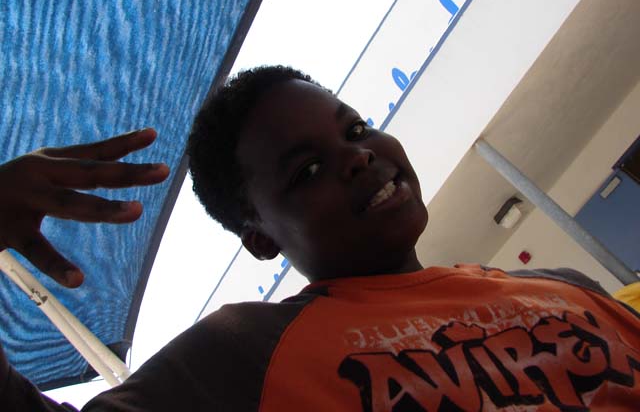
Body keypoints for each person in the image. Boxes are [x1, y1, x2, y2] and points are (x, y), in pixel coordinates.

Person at [1, 65, 639, 411]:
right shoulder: (242, 355)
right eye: (306, 171)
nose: (358, 156)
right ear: (260, 240)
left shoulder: (565, 289)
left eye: (355, 129)